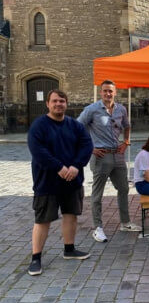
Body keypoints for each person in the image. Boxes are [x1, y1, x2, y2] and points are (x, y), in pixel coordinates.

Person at [27, 89, 93, 276]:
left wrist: (75, 166)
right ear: (47, 104)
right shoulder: (39, 126)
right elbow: (38, 150)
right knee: (43, 220)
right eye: (55, 101)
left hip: (72, 180)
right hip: (47, 182)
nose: (58, 104)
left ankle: (69, 249)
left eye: (62, 101)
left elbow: (86, 145)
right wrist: (59, 167)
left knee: (71, 214)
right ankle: (36, 258)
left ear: (66, 103)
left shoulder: (75, 125)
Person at [78, 80, 142, 243]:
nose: (108, 94)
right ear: (101, 92)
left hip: (118, 156)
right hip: (101, 156)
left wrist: (126, 142)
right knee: (97, 193)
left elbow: (127, 126)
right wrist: (90, 148)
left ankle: (125, 222)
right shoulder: (92, 110)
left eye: (110, 91)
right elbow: (77, 128)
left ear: (115, 92)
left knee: (123, 188)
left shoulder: (121, 109)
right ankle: (98, 228)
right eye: (105, 91)